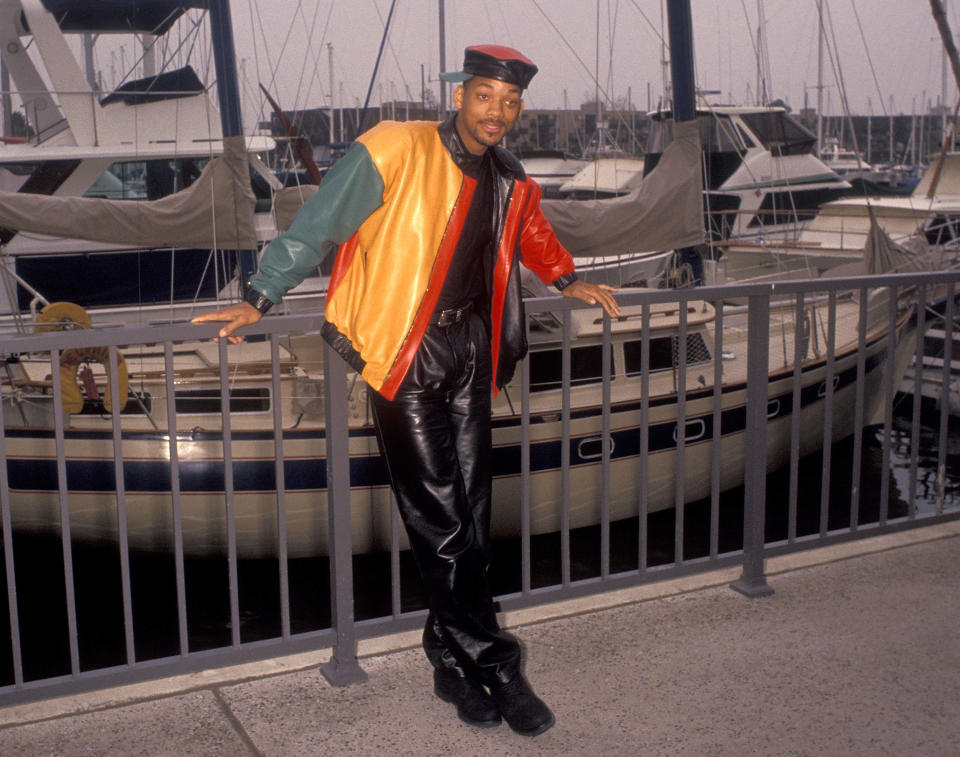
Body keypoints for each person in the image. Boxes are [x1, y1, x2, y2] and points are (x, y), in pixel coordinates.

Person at [192, 44, 620, 737]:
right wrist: (259, 295)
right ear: (458, 94)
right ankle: (500, 665)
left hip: (473, 350)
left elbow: (531, 233)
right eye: (486, 96)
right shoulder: (395, 147)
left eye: (510, 102)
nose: (498, 113)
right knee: (441, 519)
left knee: (470, 517)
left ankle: (450, 661)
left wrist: (568, 278)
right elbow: (319, 222)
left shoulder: (508, 174)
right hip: (405, 351)